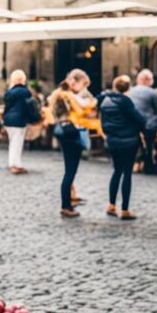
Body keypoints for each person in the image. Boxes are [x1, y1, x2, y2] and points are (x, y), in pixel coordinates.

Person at [98, 76, 146, 220]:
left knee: (116, 171)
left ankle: (111, 205)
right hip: (128, 141)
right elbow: (140, 119)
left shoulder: (105, 101)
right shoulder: (125, 101)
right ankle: (125, 209)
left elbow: (103, 123)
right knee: (127, 174)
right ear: (128, 88)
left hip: (112, 141)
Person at [50, 69, 92, 218]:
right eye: (82, 84)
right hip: (70, 133)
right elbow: (82, 107)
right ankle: (66, 206)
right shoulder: (66, 95)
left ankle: (68, 201)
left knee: (70, 171)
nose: (83, 88)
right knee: (70, 172)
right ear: (74, 82)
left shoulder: (59, 93)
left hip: (65, 132)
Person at [128, 69, 157, 173]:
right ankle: (149, 162)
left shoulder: (130, 91)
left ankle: (139, 159)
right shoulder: (152, 93)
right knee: (151, 141)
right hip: (148, 124)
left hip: (133, 124)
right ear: (149, 81)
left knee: (139, 141)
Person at [3, 70, 33, 174]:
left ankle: (13, 162)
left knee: (13, 142)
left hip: (8, 120)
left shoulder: (9, 92)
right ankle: (15, 165)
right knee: (17, 143)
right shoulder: (25, 92)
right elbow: (28, 107)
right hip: (19, 120)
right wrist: (32, 119)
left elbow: (6, 107)